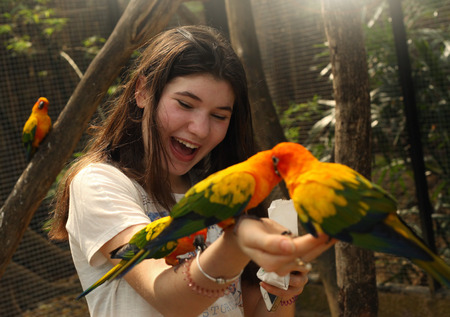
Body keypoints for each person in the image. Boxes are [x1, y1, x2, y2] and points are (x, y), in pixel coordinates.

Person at [48, 25, 333, 317]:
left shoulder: (219, 189)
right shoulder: (99, 183)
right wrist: (238, 239)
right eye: (185, 104)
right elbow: (171, 300)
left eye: (219, 116)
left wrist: (282, 288)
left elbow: (251, 310)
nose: (199, 129)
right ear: (143, 92)